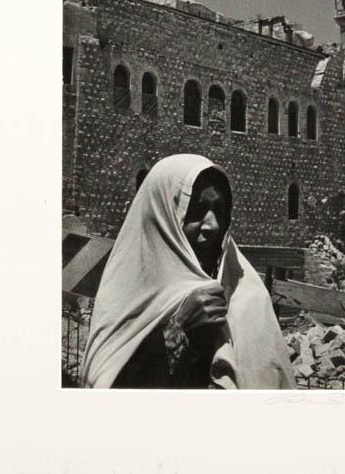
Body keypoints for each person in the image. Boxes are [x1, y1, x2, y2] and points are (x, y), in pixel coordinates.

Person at [80, 153, 296, 389]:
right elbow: (110, 399)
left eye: (220, 210)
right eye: (196, 210)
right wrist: (177, 329)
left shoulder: (247, 297)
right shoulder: (122, 299)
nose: (213, 226)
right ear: (162, 218)